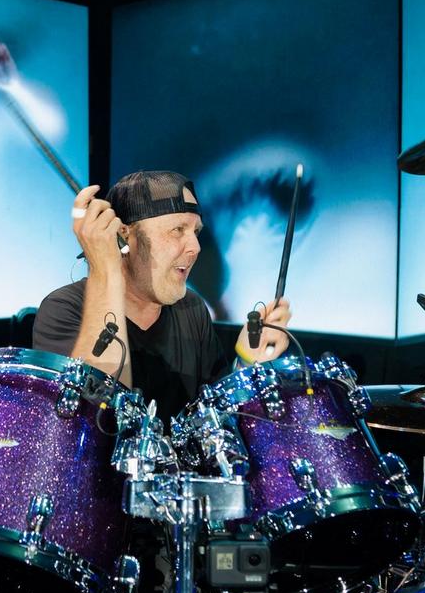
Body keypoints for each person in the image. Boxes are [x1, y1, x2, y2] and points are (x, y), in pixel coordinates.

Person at [33, 170, 292, 425]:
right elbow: (91, 421)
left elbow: (218, 422)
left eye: (195, 232)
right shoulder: (64, 308)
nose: (195, 247)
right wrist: (105, 268)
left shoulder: (191, 308)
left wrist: (247, 365)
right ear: (123, 237)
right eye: (177, 230)